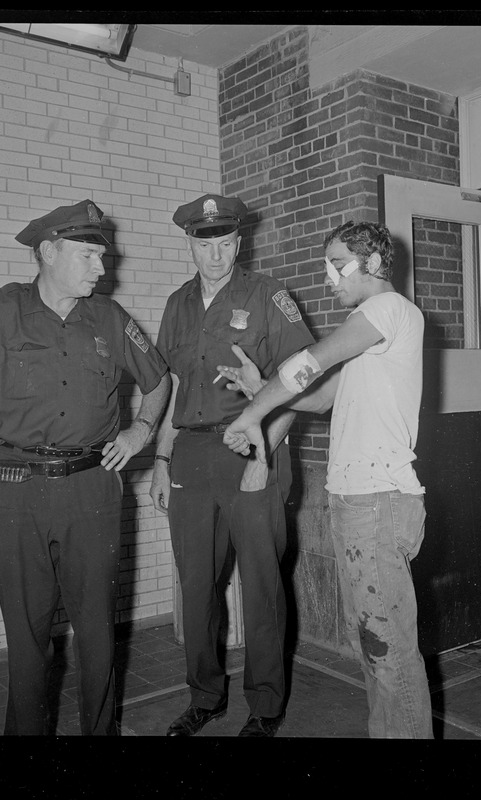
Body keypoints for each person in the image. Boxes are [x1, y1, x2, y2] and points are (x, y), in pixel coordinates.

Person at [0, 200, 171, 736]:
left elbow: (159, 380)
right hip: (17, 496)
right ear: (47, 251)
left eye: (102, 257)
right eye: (88, 255)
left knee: (97, 635)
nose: (100, 268)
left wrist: (140, 431)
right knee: (27, 638)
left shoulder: (109, 317)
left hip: (94, 491)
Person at [219, 220, 434, 739]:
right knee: (376, 651)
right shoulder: (368, 335)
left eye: (338, 265)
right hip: (358, 503)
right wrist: (257, 388)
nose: (328, 278)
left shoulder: (386, 310)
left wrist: (252, 418)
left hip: (376, 505)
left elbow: (310, 363)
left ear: (375, 265)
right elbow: (315, 396)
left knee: (390, 656)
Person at [149, 193, 315, 737]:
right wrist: (162, 456)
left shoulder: (269, 296)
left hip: (252, 449)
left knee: (261, 582)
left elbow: (299, 382)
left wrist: (263, 452)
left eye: (225, 243)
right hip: (191, 455)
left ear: (238, 242)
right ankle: (206, 697)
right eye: (205, 244)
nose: (216, 255)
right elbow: (173, 386)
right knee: (196, 583)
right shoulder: (177, 304)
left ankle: (266, 707)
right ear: (190, 245)